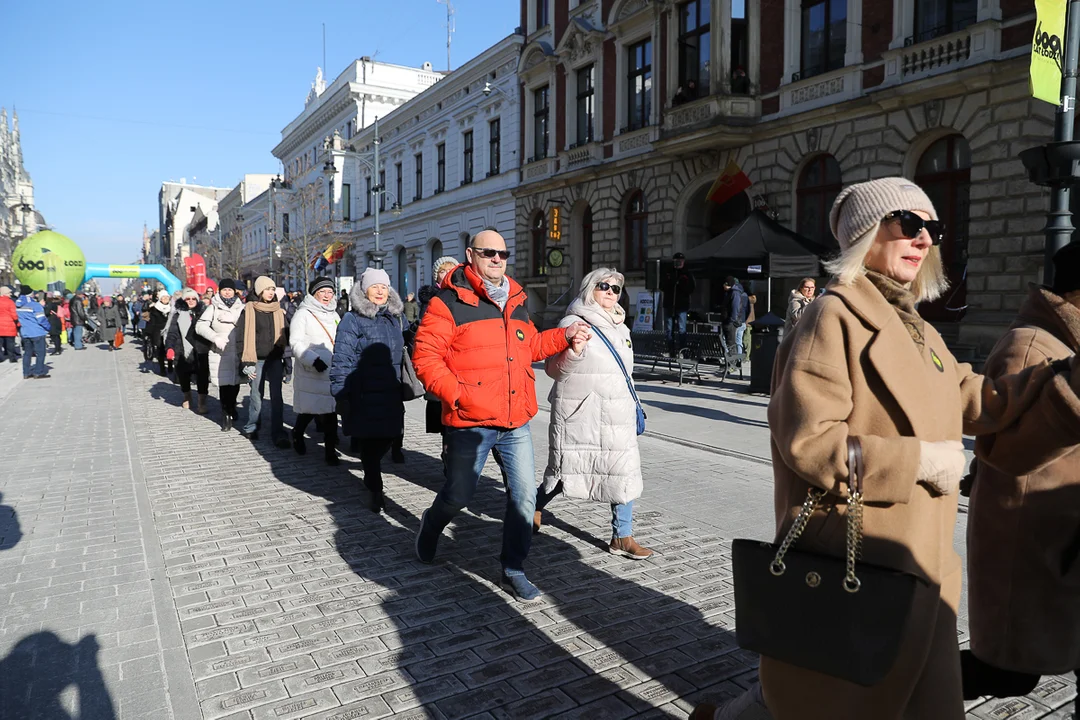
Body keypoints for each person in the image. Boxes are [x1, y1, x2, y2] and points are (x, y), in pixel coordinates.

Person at [694, 177, 1074, 720]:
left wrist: (1061, 379)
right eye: (909, 224)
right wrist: (919, 462)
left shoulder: (916, 325)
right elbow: (808, 442)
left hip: (922, 565)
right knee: (830, 700)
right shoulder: (832, 316)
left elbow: (977, 397)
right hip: (860, 559)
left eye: (933, 229)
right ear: (864, 235)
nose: (925, 240)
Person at [412, 230, 590, 602]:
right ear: (470, 255)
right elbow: (426, 358)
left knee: (524, 498)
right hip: (470, 421)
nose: (497, 259)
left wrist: (564, 334)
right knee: (458, 496)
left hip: (515, 419)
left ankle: (513, 568)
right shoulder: (448, 302)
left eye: (503, 253)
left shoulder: (517, 298)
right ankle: (431, 525)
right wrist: (459, 395)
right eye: (488, 253)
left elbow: (531, 346)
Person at [961, 241, 1080, 715]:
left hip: (1063, 544)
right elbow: (1004, 451)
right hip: (1033, 554)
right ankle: (897, 688)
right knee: (1007, 673)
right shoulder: (1032, 345)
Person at [535, 268, 653, 559]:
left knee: (624, 473)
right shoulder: (572, 322)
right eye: (605, 286)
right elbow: (554, 371)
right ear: (590, 288)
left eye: (616, 288)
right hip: (583, 413)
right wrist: (573, 351)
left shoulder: (621, 326)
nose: (612, 293)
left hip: (618, 412)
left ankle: (621, 537)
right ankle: (532, 507)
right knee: (564, 473)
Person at [330, 268, 406, 510]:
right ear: (364, 291)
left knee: (391, 436)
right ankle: (375, 487)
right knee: (371, 445)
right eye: (375, 286)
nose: (380, 291)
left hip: (390, 391)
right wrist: (340, 392)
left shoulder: (393, 318)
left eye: (384, 286)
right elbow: (341, 357)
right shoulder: (352, 320)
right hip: (364, 392)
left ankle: (370, 473)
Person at [290, 276, 341, 466]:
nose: (327, 296)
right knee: (310, 410)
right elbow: (295, 342)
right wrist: (313, 359)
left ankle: (330, 451)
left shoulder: (334, 314)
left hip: (333, 371)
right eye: (323, 292)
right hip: (313, 371)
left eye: (330, 292)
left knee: (330, 411)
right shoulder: (303, 314)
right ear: (314, 294)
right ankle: (297, 433)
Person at [237, 276, 289, 447]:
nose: (270, 292)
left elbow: (286, 338)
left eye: (273, 289)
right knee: (256, 395)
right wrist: (245, 363)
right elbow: (240, 338)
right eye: (267, 289)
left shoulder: (279, 310)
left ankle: (278, 432)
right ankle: (252, 427)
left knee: (277, 397)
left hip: (275, 359)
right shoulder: (249, 310)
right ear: (259, 291)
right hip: (255, 359)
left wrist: (288, 364)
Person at [416, 256, 460, 435]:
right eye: (443, 270)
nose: (447, 274)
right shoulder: (430, 301)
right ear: (436, 276)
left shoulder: (465, 295)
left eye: (451, 270)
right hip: (440, 362)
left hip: (460, 362)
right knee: (442, 414)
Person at [196, 279, 245, 431]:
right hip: (221, 352)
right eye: (225, 290)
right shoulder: (213, 307)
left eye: (230, 289)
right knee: (224, 385)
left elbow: (248, 322)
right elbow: (200, 325)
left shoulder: (241, 307)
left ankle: (232, 406)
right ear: (219, 291)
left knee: (235, 384)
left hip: (238, 350)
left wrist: (235, 319)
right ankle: (226, 414)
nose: (228, 292)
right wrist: (215, 337)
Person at [165, 288, 210, 413]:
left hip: (200, 349)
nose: (190, 301)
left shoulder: (204, 313)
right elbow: (172, 333)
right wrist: (170, 348)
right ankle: (187, 395)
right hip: (182, 350)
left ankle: (202, 400)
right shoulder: (178, 314)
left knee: (203, 377)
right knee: (183, 376)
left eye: (193, 299)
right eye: (188, 299)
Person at [661, 252, 695, 355]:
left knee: (681, 329)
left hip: (681, 306)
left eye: (680, 261)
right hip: (669, 305)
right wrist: (671, 282)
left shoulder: (687, 273)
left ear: (683, 262)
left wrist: (681, 284)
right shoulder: (668, 272)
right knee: (668, 330)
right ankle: (670, 350)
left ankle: (683, 351)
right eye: (676, 261)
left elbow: (691, 288)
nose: (678, 263)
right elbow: (662, 286)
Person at [16, 286, 50, 379]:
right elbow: (41, 319)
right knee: (40, 353)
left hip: (25, 332)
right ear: (30, 294)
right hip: (37, 332)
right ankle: (38, 372)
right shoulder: (35, 305)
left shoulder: (18, 305)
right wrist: (48, 327)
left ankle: (26, 373)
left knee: (27, 353)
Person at [722, 275, 750, 361]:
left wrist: (732, 320)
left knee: (732, 342)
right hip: (741, 321)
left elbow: (735, 308)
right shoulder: (741, 293)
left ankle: (733, 362)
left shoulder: (734, 293)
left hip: (733, 322)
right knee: (738, 341)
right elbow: (748, 309)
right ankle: (738, 360)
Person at [146, 290, 172, 373]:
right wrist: (148, 333)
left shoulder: (172, 308)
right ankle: (162, 368)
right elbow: (151, 322)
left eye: (167, 297)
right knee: (160, 351)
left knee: (170, 349)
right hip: (158, 332)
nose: (165, 299)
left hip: (169, 332)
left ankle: (170, 366)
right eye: (163, 297)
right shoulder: (155, 309)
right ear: (160, 299)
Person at [0, 286, 19, 363]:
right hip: (9, 325)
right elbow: (14, 314)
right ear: (5, 293)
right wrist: (17, 321)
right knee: (10, 343)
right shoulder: (10, 302)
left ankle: (1, 358)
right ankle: (12, 358)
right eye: (9, 292)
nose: (10, 294)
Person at [744, 291, 758, 360]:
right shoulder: (751, 300)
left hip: (747, 322)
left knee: (746, 340)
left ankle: (746, 356)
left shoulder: (746, 299)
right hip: (750, 322)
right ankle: (747, 356)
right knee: (748, 340)